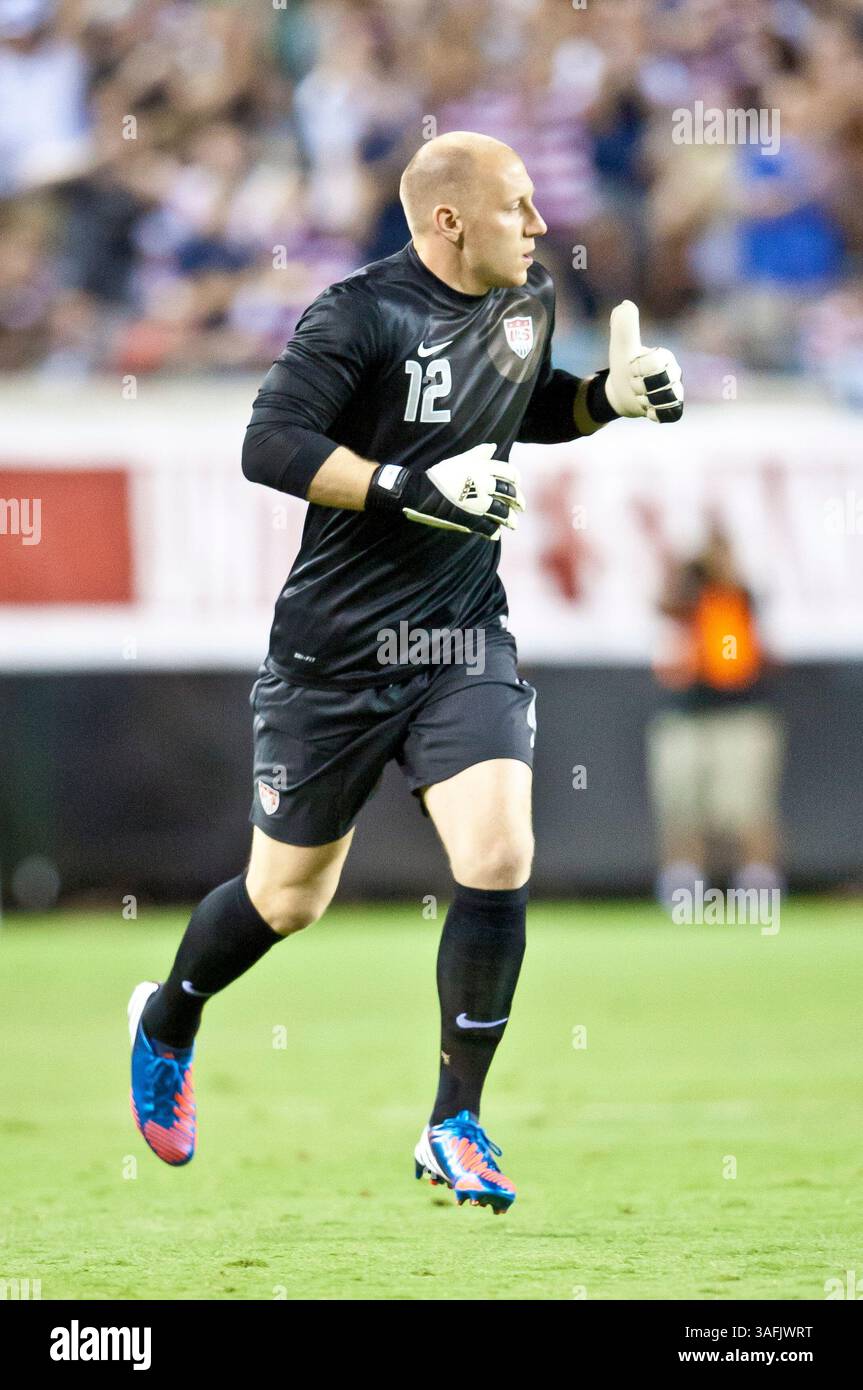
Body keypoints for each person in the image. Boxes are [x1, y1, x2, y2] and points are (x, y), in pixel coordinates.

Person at [128, 130, 683, 1213]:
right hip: (332, 656)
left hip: (458, 634)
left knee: (499, 846)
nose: (537, 226)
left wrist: (604, 399)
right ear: (447, 222)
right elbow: (269, 442)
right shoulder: (354, 314)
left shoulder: (526, 303)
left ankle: (453, 1121)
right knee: (287, 899)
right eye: (517, 206)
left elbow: (520, 408)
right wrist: (405, 489)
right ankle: (168, 1018)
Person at [647, 521, 784, 909]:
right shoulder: (684, 594)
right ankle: (683, 886)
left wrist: (718, 572)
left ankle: (759, 885)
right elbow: (661, 603)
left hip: (740, 711)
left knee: (747, 807)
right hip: (686, 714)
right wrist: (686, 572)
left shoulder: (741, 593)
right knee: (681, 807)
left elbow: (751, 641)